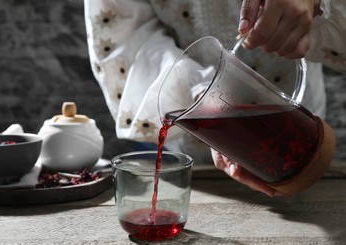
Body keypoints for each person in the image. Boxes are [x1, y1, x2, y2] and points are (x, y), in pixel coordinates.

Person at [84, 0, 346, 196]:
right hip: (190, 159)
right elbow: (122, 39)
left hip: (300, 139)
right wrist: (203, 101)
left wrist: (317, 4)